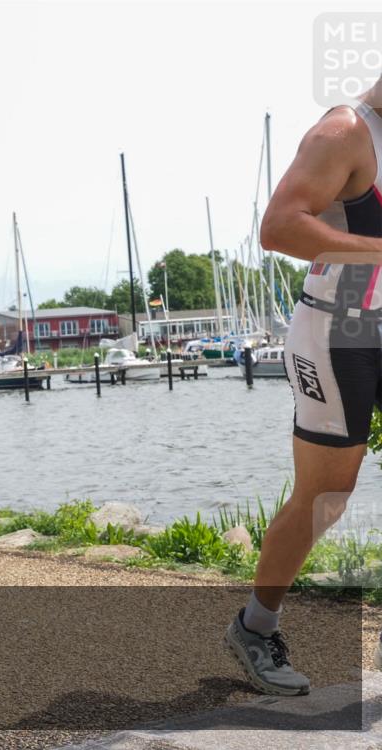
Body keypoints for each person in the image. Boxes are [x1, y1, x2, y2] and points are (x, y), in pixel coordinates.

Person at [224, 77, 382, 695]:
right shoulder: (344, 132)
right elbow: (280, 227)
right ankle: (255, 628)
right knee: (328, 496)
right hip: (337, 334)